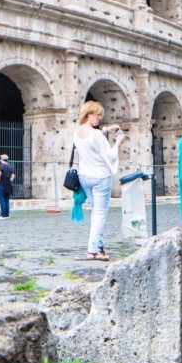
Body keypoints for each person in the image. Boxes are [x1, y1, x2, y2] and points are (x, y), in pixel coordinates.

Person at [73, 100, 123, 261]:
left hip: (84, 177)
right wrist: (118, 143)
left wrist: (105, 130)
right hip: (100, 177)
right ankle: (92, 250)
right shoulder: (96, 135)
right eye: (98, 115)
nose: (100, 118)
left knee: (96, 212)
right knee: (100, 214)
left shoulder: (77, 133)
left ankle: (99, 248)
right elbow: (109, 155)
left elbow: (91, 138)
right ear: (89, 114)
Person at [0, 154, 15, 219]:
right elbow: (13, 175)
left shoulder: (1, 166)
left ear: (2, 159)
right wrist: (9, 181)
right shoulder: (10, 166)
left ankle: (2, 214)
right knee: (6, 200)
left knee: (2, 199)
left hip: (1, 184)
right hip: (8, 184)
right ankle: (7, 214)